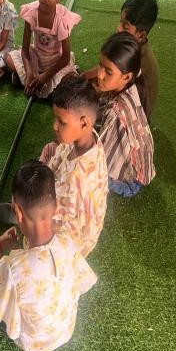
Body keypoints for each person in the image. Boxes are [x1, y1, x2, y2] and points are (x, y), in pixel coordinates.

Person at [0, 161, 97, 351]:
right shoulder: (69, 240)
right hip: (65, 332)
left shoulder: (14, 267)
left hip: (33, 342)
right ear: (55, 206)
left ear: (18, 212)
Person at [39, 76, 108, 256]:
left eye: (62, 122)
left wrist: (30, 213)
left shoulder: (77, 179)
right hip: (70, 203)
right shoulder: (86, 137)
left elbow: (55, 221)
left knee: (32, 224)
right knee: (50, 148)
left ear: (84, 123)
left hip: (68, 243)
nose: (55, 126)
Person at [5, 0, 80, 98]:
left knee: (70, 79)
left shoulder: (61, 19)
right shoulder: (31, 12)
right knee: (8, 58)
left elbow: (65, 57)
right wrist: (29, 73)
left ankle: (25, 81)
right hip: (36, 57)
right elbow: (25, 50)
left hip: (55, 61)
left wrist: (45, 76)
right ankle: (31, 81)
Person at [93, 32, 155, 197]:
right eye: (100, 65)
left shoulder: (116, 113)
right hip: (137, 168)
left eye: (108, 71)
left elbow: (98, 155)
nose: (99, 75)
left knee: (84, 170)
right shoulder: (130, 85)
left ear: (126, 77)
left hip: (131, 183)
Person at [83, 0, 159, 120]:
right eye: (120, 22)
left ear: (141, 35)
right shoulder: (132, 47)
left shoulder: (138, 61)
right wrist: (84, 77)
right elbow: (108, 67)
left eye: (125, 26)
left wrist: (88, 85)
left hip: (128, 115)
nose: (118, 28)